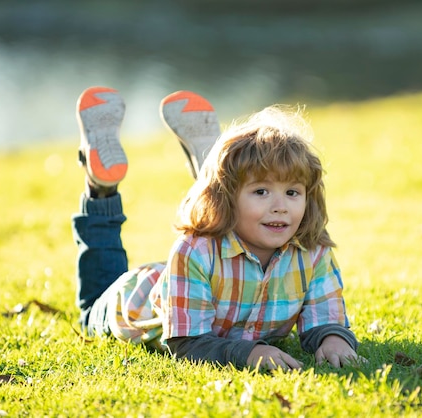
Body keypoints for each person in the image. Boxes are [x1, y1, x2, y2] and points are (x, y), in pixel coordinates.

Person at [72, 86, 361, 370]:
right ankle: (101, 189)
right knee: (90, 309)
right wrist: (248, 353)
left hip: (189, 284)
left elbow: (324, 319)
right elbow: (187, 343)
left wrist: (334, 339)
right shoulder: (194, 251)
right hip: (129, 304)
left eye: (292, 193)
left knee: (224, 215)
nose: (280, 206)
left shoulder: (312, 252)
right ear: (228, 199)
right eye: (261, 191)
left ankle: (215, 169)